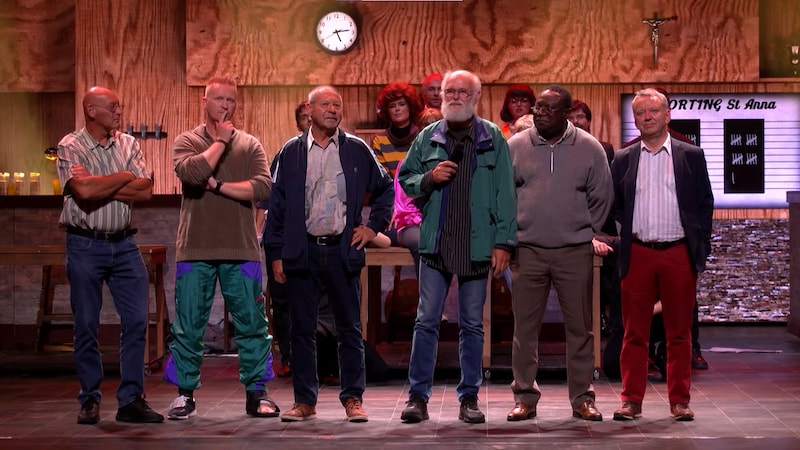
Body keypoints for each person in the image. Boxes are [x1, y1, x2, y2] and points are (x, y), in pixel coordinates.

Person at [265, 85, 394, 423]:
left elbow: (385, 188)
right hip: (302, 250)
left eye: (337, 105)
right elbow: (276, 206)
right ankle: (304, 401)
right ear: (310, 110)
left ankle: (353, 399)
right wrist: (276, 253)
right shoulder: (290, 152)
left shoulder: (356, 149)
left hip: (342, 249)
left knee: (349, 328)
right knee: (301, 330)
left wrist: (372, 228)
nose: (333, 110)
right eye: (326, 104)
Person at [398, 70, 516, 424]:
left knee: (472, 325)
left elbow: (506, 194)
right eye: (450, 90)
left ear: (477, 96)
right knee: (426, 321)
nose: (455, 96)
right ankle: (418, 397)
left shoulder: (492, 137)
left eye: (463, 92)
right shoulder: (428, 136)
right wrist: (429, 178)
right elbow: (406, 178)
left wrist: (503, 242)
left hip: (476, 243)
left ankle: (469, 398)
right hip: (436, 242)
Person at [169, 76, 277, 420]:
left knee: (252, 323)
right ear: (205, 102)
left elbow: (263, 188)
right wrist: (219, 142)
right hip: (195, 247)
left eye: (231, 100)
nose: (225, 106)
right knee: (189, 324)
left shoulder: (250, 144)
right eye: (219, 99)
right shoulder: (188, 140)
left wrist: (217, 185)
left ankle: (257, 392)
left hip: (241, 248)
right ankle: (184, 393)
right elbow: (192, 174)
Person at [505, 85, 613, 422]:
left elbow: (602, 196)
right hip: (527, 250)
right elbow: (503, 196)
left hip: (574, 251)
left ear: (566, 113)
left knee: (580, 329)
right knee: (525, 330)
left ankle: (582, 398)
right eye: (537, 107)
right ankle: (525, 396)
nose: (538, 113)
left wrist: (583, 230)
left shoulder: (590, 148)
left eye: (547, 109)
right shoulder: (516, 146)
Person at [57, 86, 163, 425]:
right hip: (85, 244)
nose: (119, 112)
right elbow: (83, 191)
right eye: (112, 107)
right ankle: (89, 398)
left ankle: (131, 399)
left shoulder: (129, 144)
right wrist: (123, 177)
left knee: (136, 321)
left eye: (120, 106)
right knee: (86, 324)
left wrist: (100, 182)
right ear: (91, 110)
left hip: (125, 244)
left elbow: (144, 190)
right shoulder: (70, 146)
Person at [610, 88, 713, 422]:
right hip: (638, 252)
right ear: (635, 119)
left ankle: (679, 401)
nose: (647, 117)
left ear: (667, 115)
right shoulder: (623, 158)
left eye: (653, 111)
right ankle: (631, 400)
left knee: (680, 333)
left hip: (678, 252)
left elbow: (704, 203)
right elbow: (616, 206)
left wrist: (701, 245)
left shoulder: (691, 155)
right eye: (641, 113)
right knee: (633, 333)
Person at [256, 101, 311, 379]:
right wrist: (262, 236)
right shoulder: (288, 152)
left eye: (313, 115)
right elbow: (269, 198)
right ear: (298, 124)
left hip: (315, 238)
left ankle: (317, 356)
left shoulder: (339, 151)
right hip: (283, 238)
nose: (310, 121)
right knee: (283, 299)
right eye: (305, 118)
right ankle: (289, 357)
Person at [372, 81, 424, 178]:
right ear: (387, 111)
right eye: (392, 106)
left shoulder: (422, 136)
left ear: (410, 107)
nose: (397, 109)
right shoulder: (379, 140)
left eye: (402, 104)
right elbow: (383, 177)